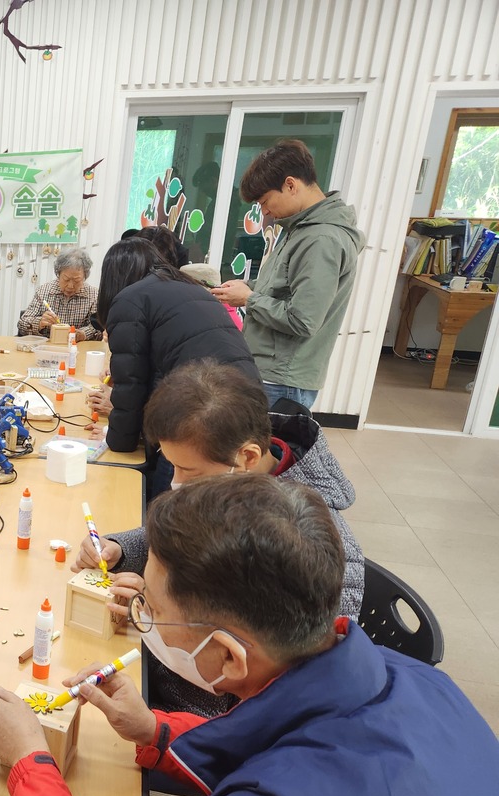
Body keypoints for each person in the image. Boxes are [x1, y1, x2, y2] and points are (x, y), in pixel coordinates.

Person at [0, 476, 499, 796]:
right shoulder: (409, 677)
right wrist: (157, 731)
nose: (139, 616)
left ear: (227, 655)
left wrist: (27, 760)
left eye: (150, 608)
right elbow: (281, 744)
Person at [74, 359, 365, 716]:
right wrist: (121, 550)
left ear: (247, 457)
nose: (176, 483)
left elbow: (278, 703)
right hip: (156, 678)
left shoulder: (319, 549)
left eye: (188, 470)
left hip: (198, 715)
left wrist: (158, 615)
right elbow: (184, 535)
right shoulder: (230, 479)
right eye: (172, 465)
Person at [93, 237, 258, 496]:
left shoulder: (130, 299)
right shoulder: (187, 287)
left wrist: (116, 441)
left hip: (203, 408)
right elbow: (160, 365)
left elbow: (131, 388)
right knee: (216, 495)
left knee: (171, 496)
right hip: (244, 399)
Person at [212, 139, 364, 410]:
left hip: (281, 379)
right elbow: (283, 286)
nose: (264, 211)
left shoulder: (321, 239)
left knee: (269, 440)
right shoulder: (300, 229)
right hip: (271, 371)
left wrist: (248, 299)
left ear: (291, 185)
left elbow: (303, 320)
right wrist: (246, 287)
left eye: (265, 201)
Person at [16, 248, 100, 340]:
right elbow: (22, 324)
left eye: (76, 280)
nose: (70, 286)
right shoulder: (44, 291)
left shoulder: (94, 295)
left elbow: (98, 328)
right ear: (58, 274)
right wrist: (39, 323)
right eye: (66, 279)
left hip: (76, 347)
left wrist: (83, 334)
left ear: (85, 277)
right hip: (47, 346)